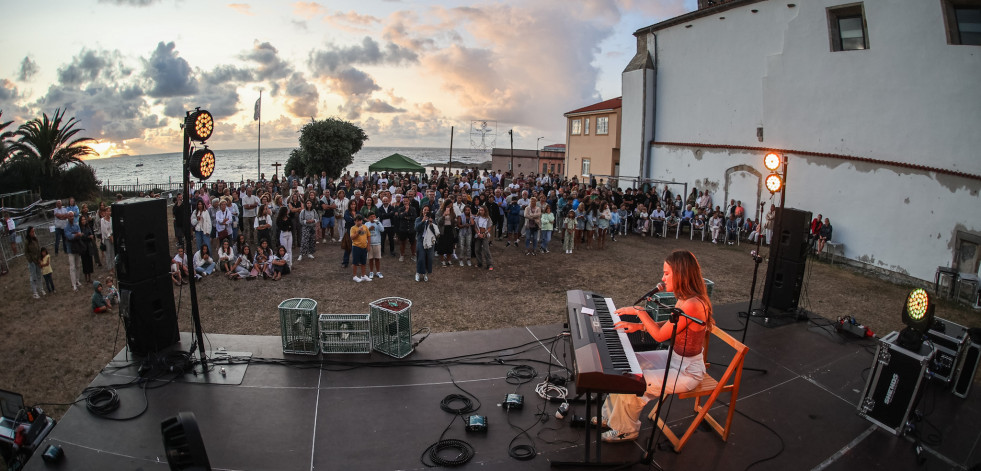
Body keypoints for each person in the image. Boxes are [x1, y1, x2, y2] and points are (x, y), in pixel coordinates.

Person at [599, 250, 713, 442]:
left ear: (682, 274)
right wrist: (639, 326)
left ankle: (626, 430)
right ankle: (609, 417)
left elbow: (660, 336)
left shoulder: (693, 304)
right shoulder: (685, 298)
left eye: (667, 273)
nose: (662, 278)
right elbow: (671, 326)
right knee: (625, 365)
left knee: (632, 381)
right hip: (674, 358)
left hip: (687, 371)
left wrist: (640, 312)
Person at [415, 206, 439, 282]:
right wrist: (422, 221)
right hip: (421, 240)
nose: (426, 211)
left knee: (429, 257)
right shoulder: (418, 219)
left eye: (428, 210)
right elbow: (416, 229)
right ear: (422, 211)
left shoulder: (432, 220)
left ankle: (425, 273)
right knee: (421, 257)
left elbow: (435, 231)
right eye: (425, 210)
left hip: (430, 241)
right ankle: (418, 272)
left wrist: (431, 224)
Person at [349, 214, 370, 282]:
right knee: (355, 262)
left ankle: (363, 275)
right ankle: (354, 276)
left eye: (360, 221)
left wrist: (368, 245)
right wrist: (358, 231)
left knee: (363, 262)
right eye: (358, 221)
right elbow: (352, 237)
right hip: (356, 247)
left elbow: (368, 236)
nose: (359, 222)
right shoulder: (353, 228)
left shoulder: (365, 227)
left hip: (364, 247)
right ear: (355, 221)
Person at [25, 226, 44, 298]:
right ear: (29, 232)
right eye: (32, 231)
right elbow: (26, 252)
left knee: (39, 275)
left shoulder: (35, 239)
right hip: (32, 262)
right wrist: (30, 260)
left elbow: (38, 248)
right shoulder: (27, 241)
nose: (33, 233)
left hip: (37, 260)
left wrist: (40, 258)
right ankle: (34, 292)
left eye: (34, 231)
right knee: (33, 277)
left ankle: (41, 288)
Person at [435, 201, 456, 266]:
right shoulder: (440, 211)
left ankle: (449, 260)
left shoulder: (452, 212)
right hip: (442, 230)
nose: (449, 207)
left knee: (449, 245)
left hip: (450, 229)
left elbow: (454, 222)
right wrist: (444, 216)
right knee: (442, 245)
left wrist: (453, 220)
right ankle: (442, 260)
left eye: (450, 206)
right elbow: (438, 222)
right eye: (448, 206)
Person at [473, 206, 493, 270]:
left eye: (482, 210)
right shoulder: (477, 218)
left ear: (485, 211)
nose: (481, 211)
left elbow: (489, 227)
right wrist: (478, 233)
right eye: (480, 210)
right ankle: (479, 262)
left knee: (486, 249)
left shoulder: (488, 218)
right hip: (478, 234)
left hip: (485, 235)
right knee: (477, 249)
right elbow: (475, 227)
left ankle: (489, 264)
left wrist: (485, 233)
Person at [365, 212, 384, 279]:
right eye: (371, 217)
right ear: (368, 218)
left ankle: (378, 272)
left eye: (374, 216)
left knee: (377, 259)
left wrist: (378, 223)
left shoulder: (378, 223)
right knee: (370, 259)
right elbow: (364, 233)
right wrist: (369, 229)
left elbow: (382, 230)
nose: (373, 218)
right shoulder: (366, 224)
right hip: (369, 244)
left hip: (377, 243)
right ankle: (371, 272)